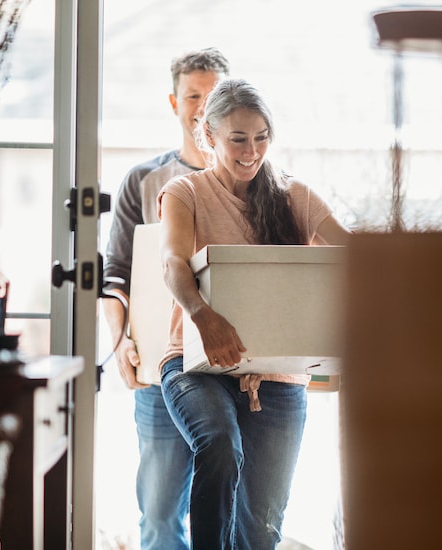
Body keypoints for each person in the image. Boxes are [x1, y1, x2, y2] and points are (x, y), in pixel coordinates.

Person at [156, 77, 351, 550]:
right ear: (210, 136)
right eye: (238, 139)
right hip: (196, 364)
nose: (251, 150)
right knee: (220, 444)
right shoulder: (186, 192)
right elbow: (174, 264)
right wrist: (204, 315)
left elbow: (353, 254)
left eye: (261, 137)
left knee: (261, 531)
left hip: (278, 377)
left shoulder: (294, 196)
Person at [101, 47, 230, 550]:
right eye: (193, 95)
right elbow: (114, 276)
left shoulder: (250, 180)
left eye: (213, 94)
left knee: (225, 512)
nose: (202, 105)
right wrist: (121, 342)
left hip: (231, 371)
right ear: (173, 101)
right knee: (158, 513)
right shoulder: (142, 181)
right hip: (159, 369)